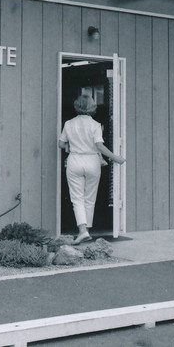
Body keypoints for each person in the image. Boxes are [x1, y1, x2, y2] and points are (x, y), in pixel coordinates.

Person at [58, 94, 125, 245]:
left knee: (77, 198)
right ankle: (86, 229)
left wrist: (69, 146)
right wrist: (116, 158)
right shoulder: (95, 125)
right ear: (92, 107)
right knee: (90, 198)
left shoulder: (69, 123)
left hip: (75, 160)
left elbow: (61, 144)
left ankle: (82, 231)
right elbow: (99, 146)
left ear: (77, 106)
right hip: (92, 161)